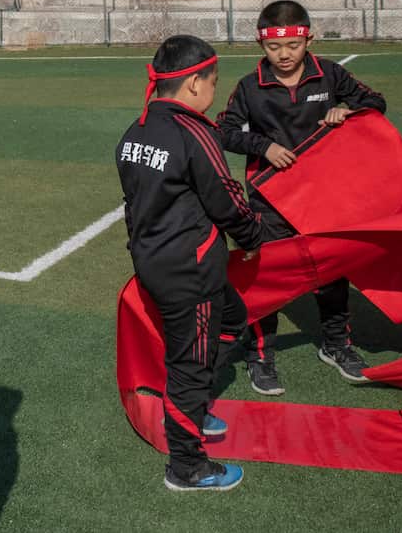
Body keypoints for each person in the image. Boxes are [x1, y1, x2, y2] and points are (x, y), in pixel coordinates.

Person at [117, 35, 267, 492]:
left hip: (157, 261)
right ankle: (187, 466)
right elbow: (226, 199)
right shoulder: (194, 129)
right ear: (195, 82)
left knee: (233, 320)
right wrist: (253, 235)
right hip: (189, 270)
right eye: (213, 81)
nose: (214, 91)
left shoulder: (135, 131)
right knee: (190, 364)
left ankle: (194, 404)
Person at [217, 0, 386, 395]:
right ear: (261, 45)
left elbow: (376, 104)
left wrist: (347, 112)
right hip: (269, 199)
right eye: (275, 47)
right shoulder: (249, 86)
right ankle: (261, 354)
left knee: (331, 272)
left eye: (293, 45)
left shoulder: (329, 74)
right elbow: (223, 131)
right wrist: (263, 146)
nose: (284, 55)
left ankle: (336, 344)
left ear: (308, 38)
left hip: (325, 196)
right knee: (268, 275)